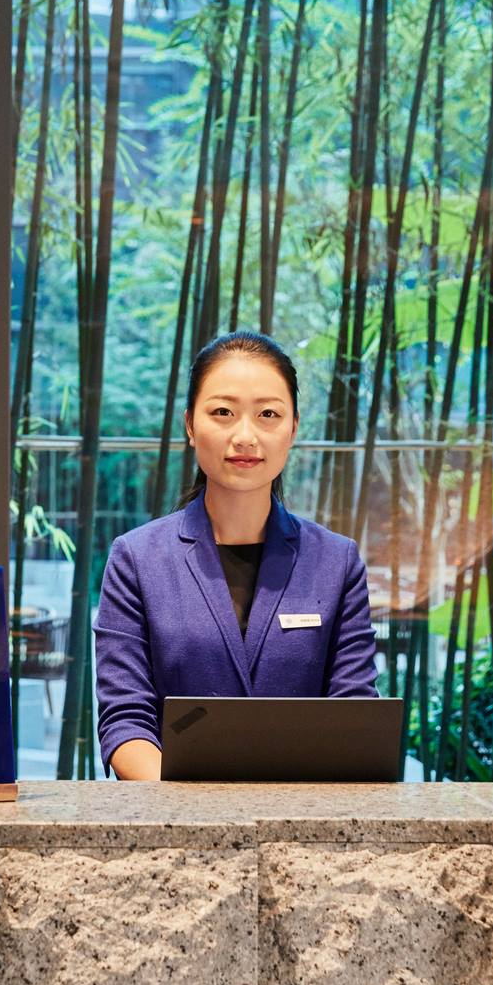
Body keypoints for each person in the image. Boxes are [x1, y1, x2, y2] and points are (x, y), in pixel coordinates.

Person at [95, 331, 378, 780]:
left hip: (304, 827)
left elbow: (354, 715)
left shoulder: (336, 562)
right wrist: (192, 814)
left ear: (293, 428)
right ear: (190, 425)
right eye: (223, 412)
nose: (245, 436)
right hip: (176, 825)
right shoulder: (137, 559)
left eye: (268, 414)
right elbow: (126, 720)